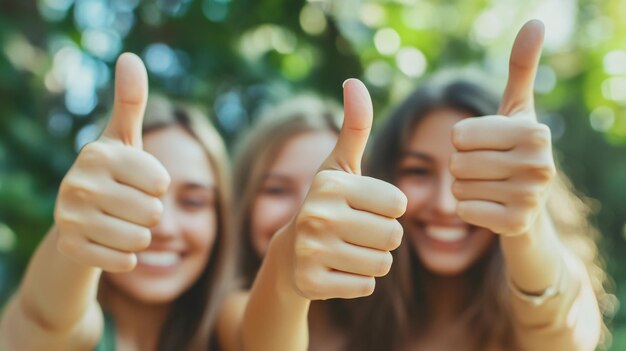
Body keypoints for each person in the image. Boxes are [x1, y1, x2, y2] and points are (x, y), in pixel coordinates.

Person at [242, 20, 609, 351]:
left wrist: (525, 225)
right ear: (382, 176)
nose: (445, 204)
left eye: (477, 172)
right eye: (418, 171)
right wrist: (285, 265)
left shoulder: (541, 298)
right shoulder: (341, 308)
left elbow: (562, 327)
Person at [0, 53, 238, 351]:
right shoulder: (70, 333)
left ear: (221, 218)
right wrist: (75, 241)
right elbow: (40, 321)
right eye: (129, 195)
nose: (162, 226)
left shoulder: (238, 332)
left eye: (192, 201)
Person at [224, 95, 353, 350]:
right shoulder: (229, 307)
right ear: (245, 203)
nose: (305, 213)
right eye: (277, 190)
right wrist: (285, 272)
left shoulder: (396, 309)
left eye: (328, 189)